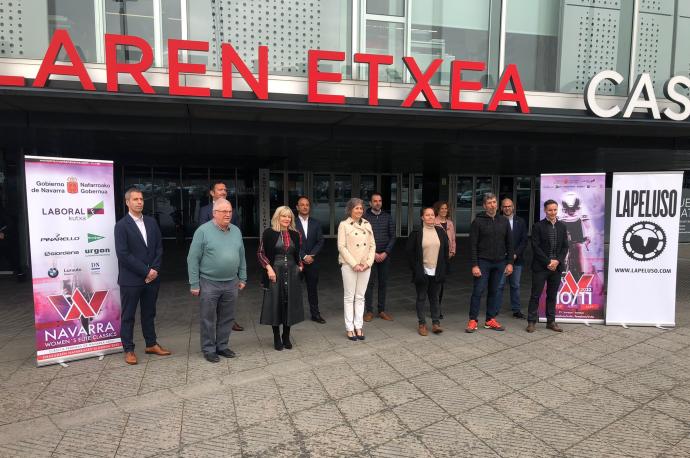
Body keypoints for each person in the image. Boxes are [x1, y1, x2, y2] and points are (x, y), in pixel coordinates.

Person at [115, 187, 171, 365]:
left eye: (141, 199)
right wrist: (146, 271)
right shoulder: (121, 226)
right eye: (135, 199)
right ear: (127, 202)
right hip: (131, 279)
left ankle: (151, 344)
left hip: (152, 278)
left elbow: (158, 248)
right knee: (128, 316)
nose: (139, 202)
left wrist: (154, 269)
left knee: (149, 313)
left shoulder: (152, 222)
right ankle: (129, 349)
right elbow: (123, 255)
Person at [187, 198, 247, 363]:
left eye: (229, 211)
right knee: (208, 318)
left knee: (227, 317)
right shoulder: (203, 231)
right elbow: (192, 258)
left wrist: (243, 277)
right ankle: (208, 349)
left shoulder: (236, 231)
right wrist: (194, 283)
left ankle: (222, 346)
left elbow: (241, 255)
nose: (228, 214)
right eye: (223, 211)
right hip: (209, 282)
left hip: (231, 282)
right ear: (214, 213)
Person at [199, 180, 243, 332]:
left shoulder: (233, 210)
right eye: (220, 189)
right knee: (211, 301)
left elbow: (236, 232)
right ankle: (212, 327)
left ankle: (229, 321)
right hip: (211, 264)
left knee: (228, 299)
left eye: (225, 189)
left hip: (229, 263)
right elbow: (201, 236)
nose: (224, 192)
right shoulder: (205, 210)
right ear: (212, 193)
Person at [258, 206, 304, 350]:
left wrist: (300, 266)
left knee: (289, 304)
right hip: (275, 273)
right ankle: (276, 337)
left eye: (289, 216)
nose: (286, 219)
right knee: (275, 304)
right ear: (277, 217)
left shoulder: (296, 234)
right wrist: (269, 268)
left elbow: (298, 254)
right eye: (283, 216)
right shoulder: (269, 233)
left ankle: (286, 336)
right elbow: (260, 253)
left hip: (292, 272)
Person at [467, 193, 514, 333]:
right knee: (478, 291)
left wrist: (510, 262)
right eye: (489, 203)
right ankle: (473, 320)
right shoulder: (478, 222)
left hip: (500, 262)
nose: (492, 205)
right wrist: (475, 264)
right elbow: (473, 245)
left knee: (494, 291)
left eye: (494, 202)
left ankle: (490, 319)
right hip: (483, 262)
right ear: (484, 206)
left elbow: (510, 244)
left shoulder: (504, 221)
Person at [527, 199, 569, 333]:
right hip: (541, 267)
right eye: (550, 210)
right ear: (545, 210)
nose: (552, 212)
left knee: (552, 295)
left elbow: (565, 247)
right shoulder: (538, 226)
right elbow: (535, 246)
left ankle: (551, 321)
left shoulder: (562, 226)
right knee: (535, 295)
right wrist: (548, 262)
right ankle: (531, 322)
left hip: (556, 267)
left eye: (555, 210)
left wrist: (557, 261)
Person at [406, 207, 449, 336]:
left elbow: (445, 251)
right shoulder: (417, 232)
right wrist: (416, 269)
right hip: (422, 272)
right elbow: (409, 252)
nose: (430, 217)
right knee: (421, 297)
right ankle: (422, 324)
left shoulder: (440, 232)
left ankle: (436, 324)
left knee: (435, 298)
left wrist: (444, 267)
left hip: (437, 271)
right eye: (427, 215)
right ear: (422, 217)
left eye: (432, 215)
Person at [338, 198, 376, 341]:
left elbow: (372, 245)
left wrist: (368, 262)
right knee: (349, 297)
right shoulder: (344, 225)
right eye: (356, 208)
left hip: (365, 265)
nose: (359, 210)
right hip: (349, 265)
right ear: (350, 210)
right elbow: (341, 247)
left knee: (360, 297)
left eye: (361, 208)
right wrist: (354, 264)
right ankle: (349, 328)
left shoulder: (367, 224)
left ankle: (358, 326)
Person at [363, 192, 396, 322]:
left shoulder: (387, 217)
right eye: (375, 201)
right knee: (369, 284)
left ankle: (381, 310)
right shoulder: (365, 217)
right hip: (370, 256)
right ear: (370, 203)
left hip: (385, 256)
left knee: (383, 283)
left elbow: (393, 236)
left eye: (380, 201)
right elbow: (363, 238)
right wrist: (374, 253)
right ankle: (369, 311)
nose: (378, 203)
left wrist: (385, 253)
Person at [294, 196, 326, 324]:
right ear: (297, 207)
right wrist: (303, 256)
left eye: (307, 204)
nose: (305, 207)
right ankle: (294, 314)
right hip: (297, 262)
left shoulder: (316, 223)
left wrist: (311, 255)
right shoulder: (291, 223)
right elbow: (292, 242)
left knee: (312, 289)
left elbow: (320, 241)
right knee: (294, 289)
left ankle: (315, 314)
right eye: (302, 204)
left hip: (312, 262)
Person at [496, 198, 528, 319]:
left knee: (515, 285)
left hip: (517, 259)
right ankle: (495, 309)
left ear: (513, 207)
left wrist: (515, 254)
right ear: (501, 208)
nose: (507, 208)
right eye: (505, 206)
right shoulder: (497, 221)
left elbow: (524, 241)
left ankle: (516, 310)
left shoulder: (520, 221)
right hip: (501, 259)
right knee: (499, 285)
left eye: (509, 206)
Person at [433, 201, 456, 318]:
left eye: (446, 208)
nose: (444, 210)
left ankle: (438, 306)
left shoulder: (450, 223)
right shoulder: (433, 222)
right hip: (435, 257)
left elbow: (453, 239)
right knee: (436, 283)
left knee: (441, 283)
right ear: (437, 210)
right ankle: (436, 307)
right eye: (442, 208)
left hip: (446, 258)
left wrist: (452, 251)